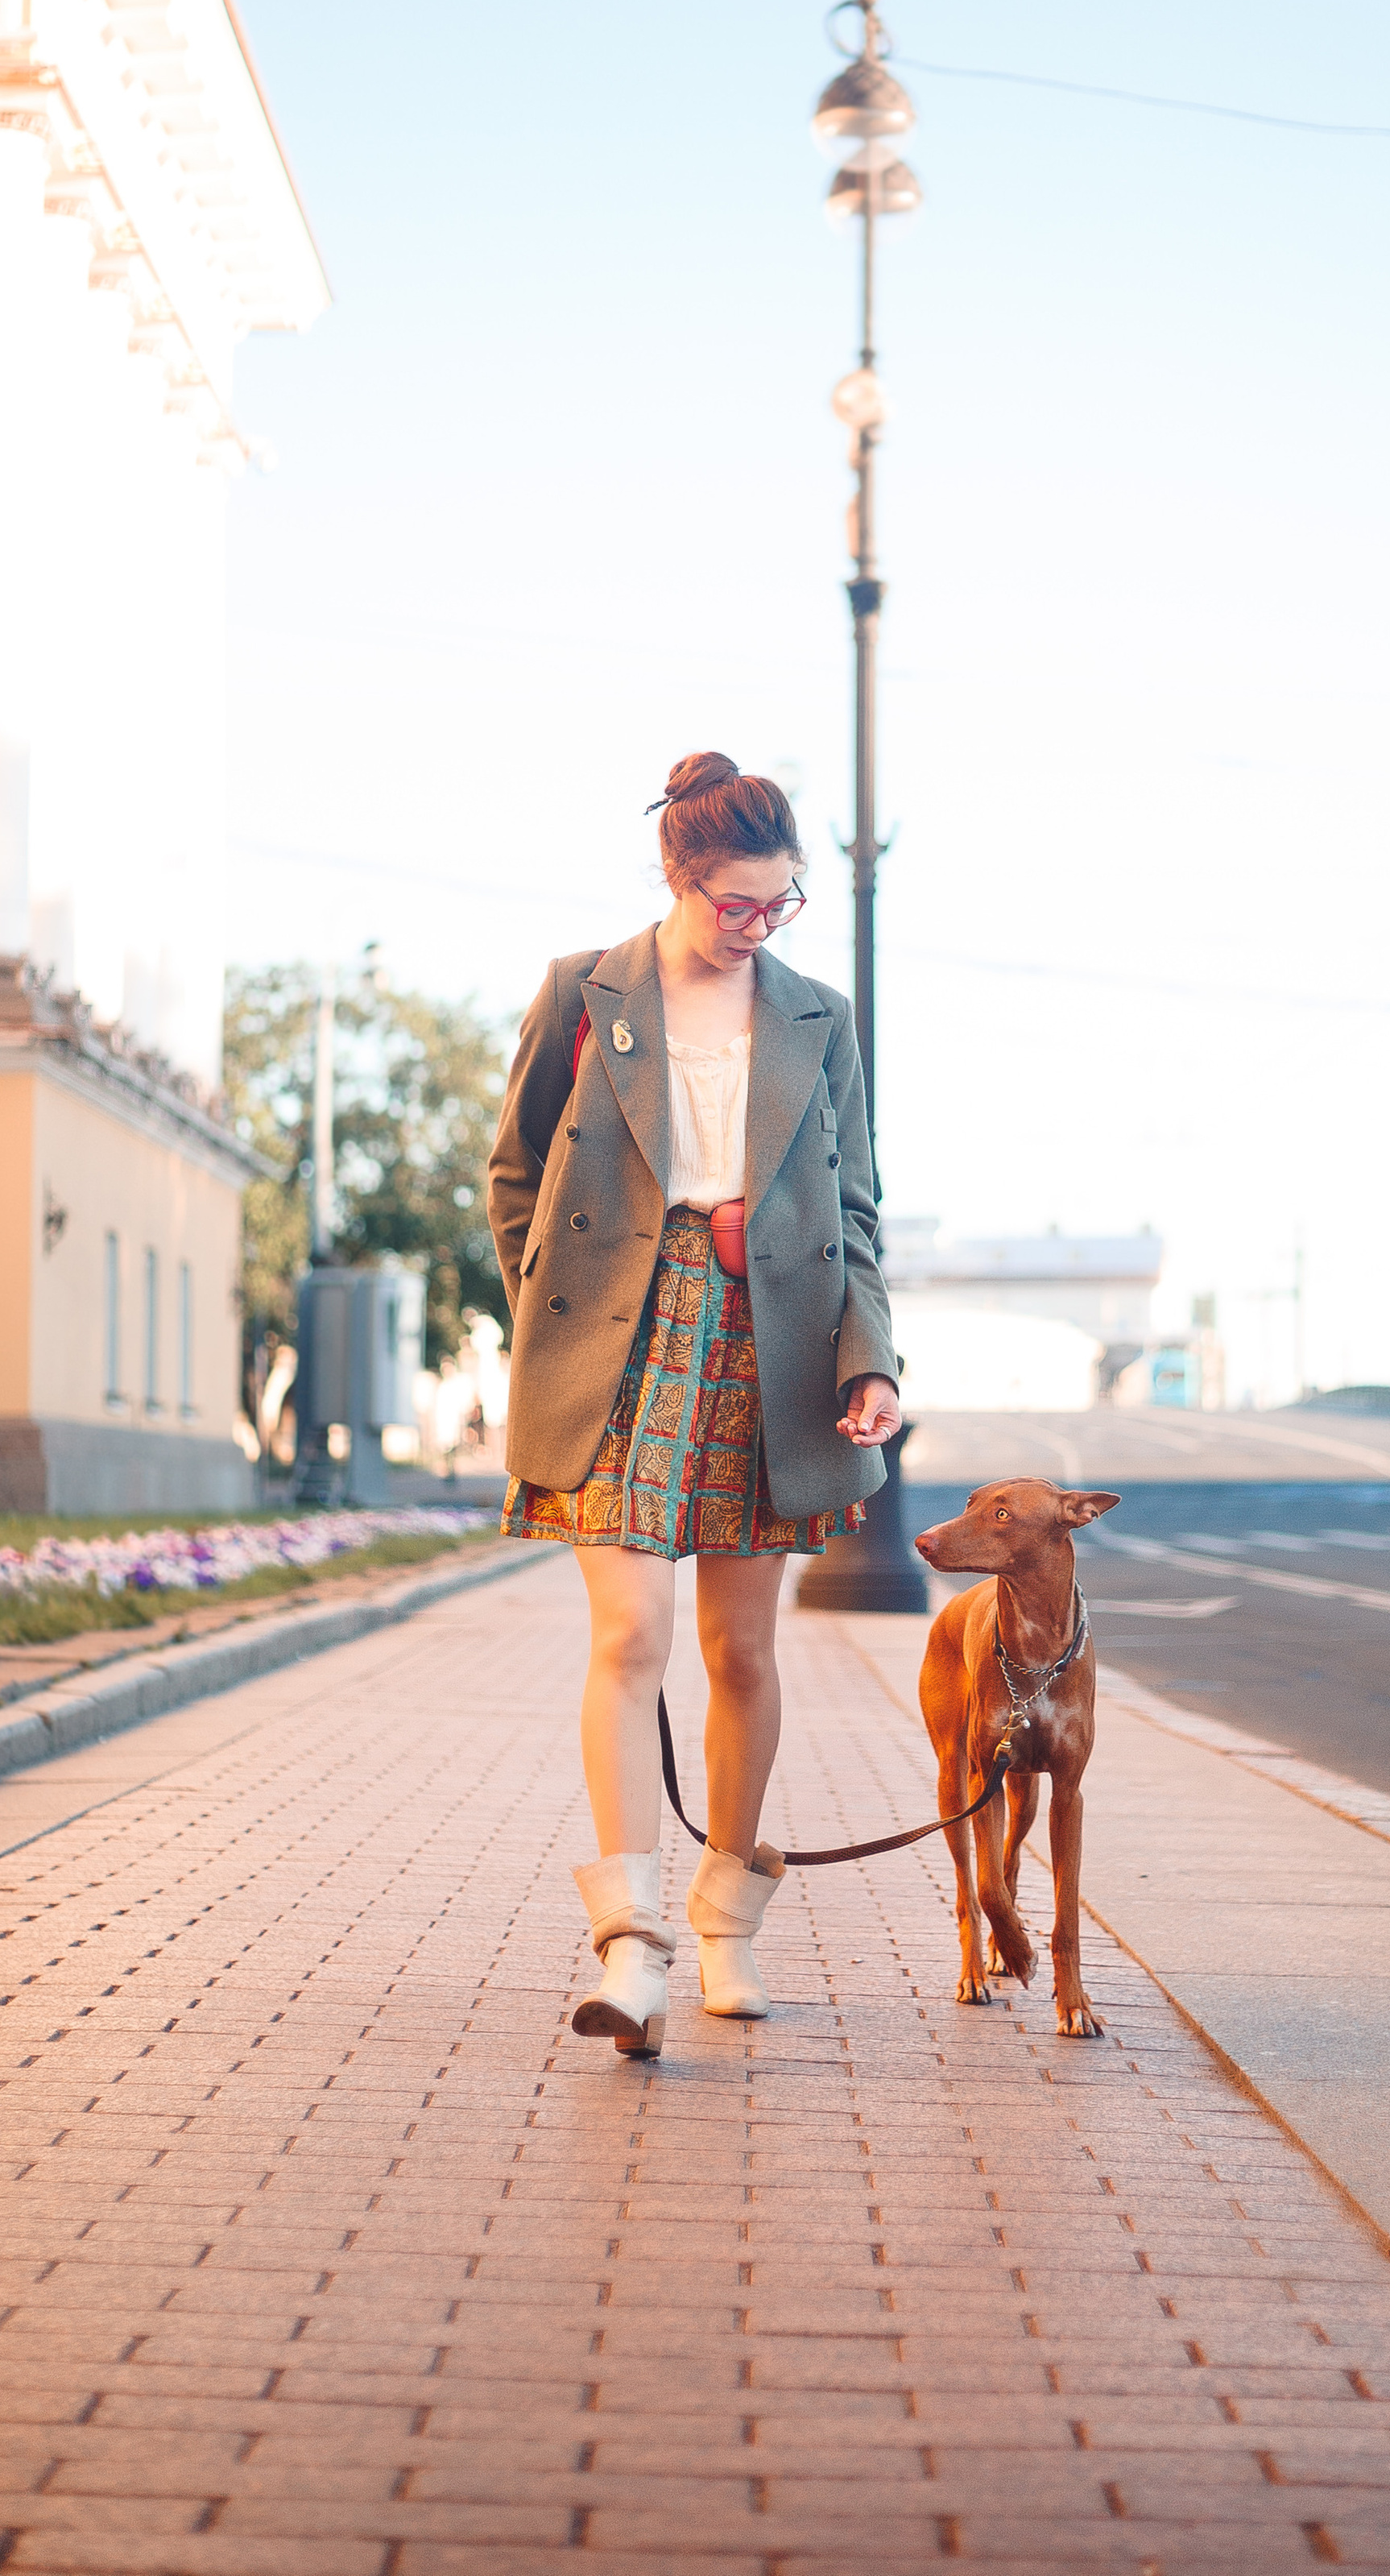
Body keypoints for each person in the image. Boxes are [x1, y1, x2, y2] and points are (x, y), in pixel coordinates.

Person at [487, 753, 902, 2056]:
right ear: (680, 874)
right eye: (737, 904)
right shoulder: (584, 992)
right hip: (620, 1340)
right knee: (630, 1638)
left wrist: (870, 1361)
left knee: (740, 1652)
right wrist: (550, 1311)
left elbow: (857, 1210)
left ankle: (728, 1916)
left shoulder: (819, 1020)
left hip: (771, 1342)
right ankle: (632, 1943)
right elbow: (514, 1172)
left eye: (778, 907)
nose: (757, 927)